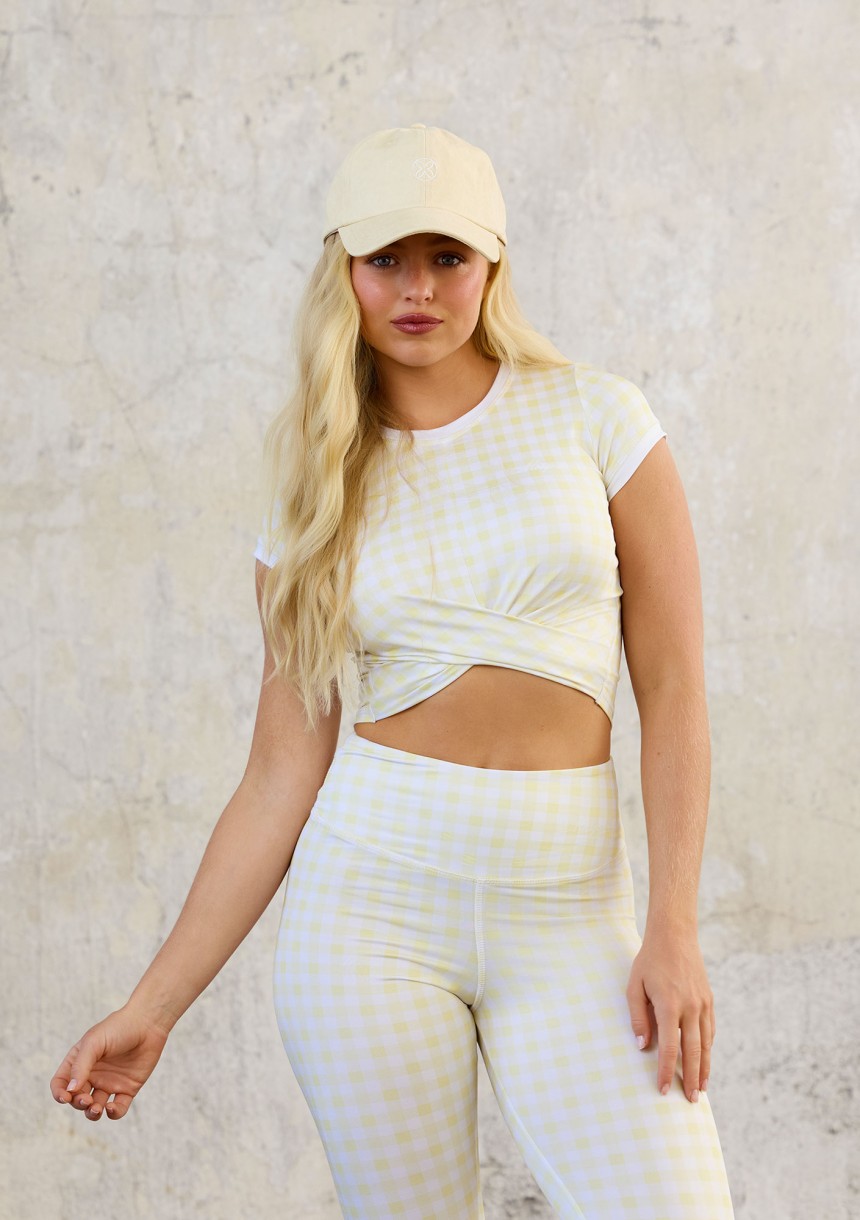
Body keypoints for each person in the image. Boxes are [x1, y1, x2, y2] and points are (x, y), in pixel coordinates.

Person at [51, 124, 735, 1219]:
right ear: (346, 270)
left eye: (447, 257)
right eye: (387, 260)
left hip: (572, 909)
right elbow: (279, 774)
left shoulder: (596, 417)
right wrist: (155, 1005)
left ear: (491, 264)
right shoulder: (312, 488)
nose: (418, 288)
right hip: (369, 912)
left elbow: (675, 689)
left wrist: (675, 927)